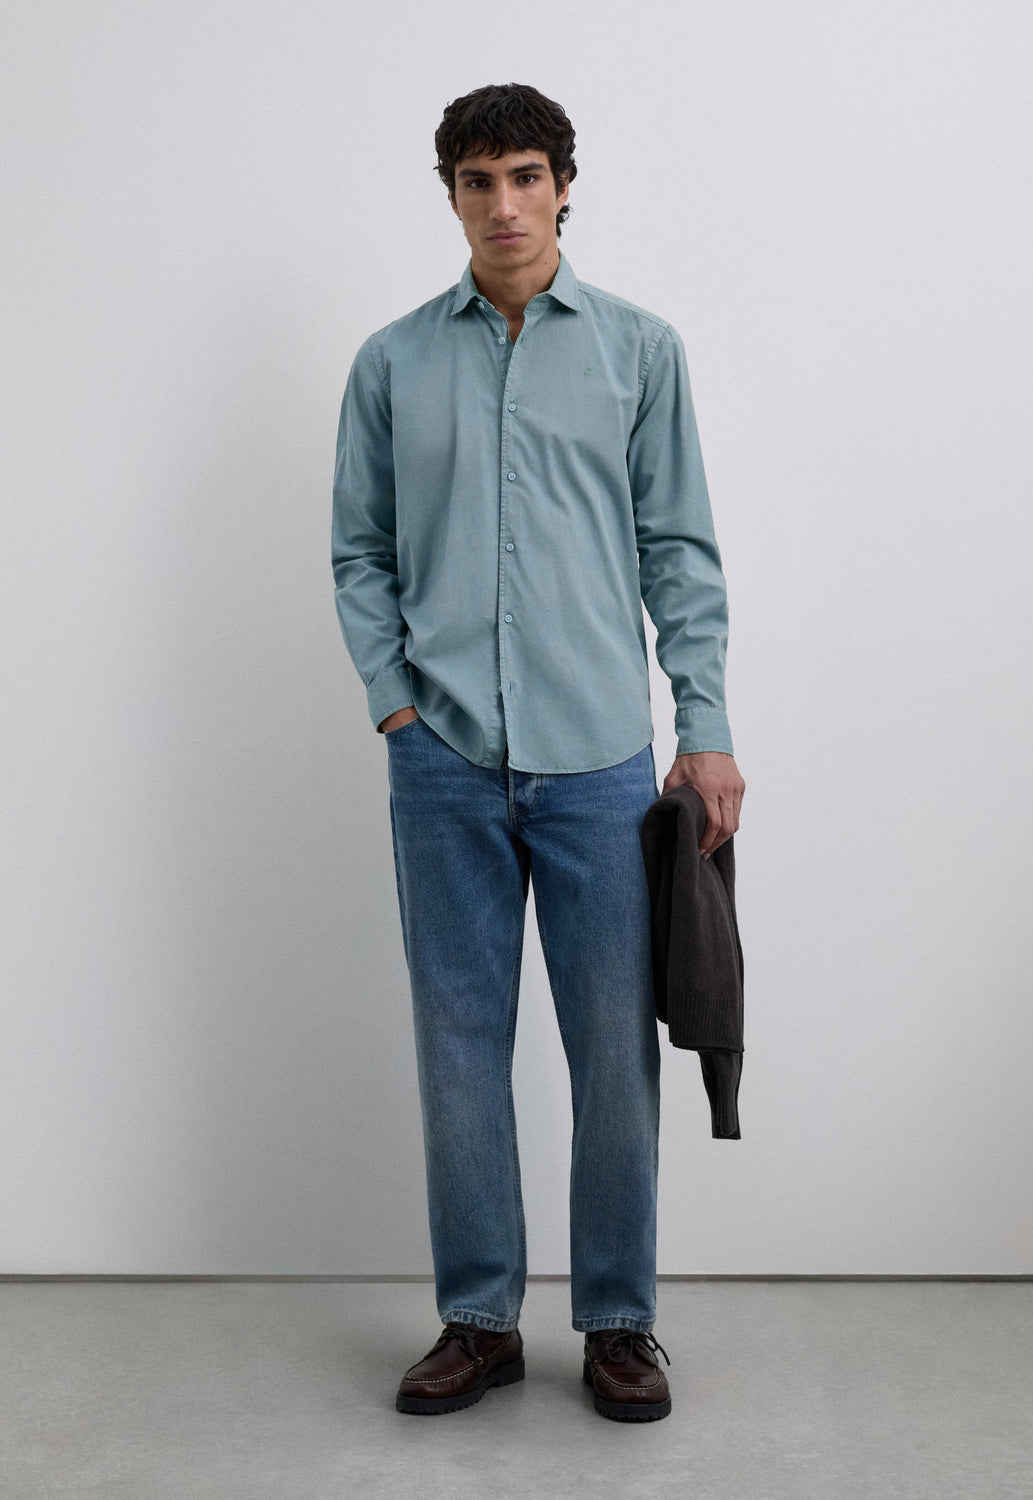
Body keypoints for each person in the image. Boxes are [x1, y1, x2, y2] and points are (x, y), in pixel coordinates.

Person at [331, 81, 745, 1423]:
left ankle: (619, 1324)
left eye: (524, 176)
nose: (503, 204)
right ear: (449, 196)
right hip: (441, 755)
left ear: (564, 185)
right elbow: (360, 552)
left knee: (613, 1051)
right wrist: (395, 701)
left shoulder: (640, 351)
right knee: (459, 1044)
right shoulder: (392, 363)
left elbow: (679, 551)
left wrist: (703, 727)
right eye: (477, 181)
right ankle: (480, 1321)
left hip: (598, 760)